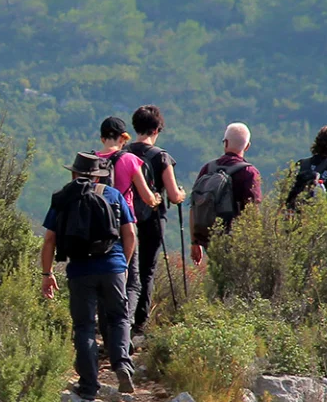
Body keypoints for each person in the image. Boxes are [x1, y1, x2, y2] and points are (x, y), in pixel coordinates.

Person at [41, 151, 141, 400]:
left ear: (74, 174)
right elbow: (130, 234)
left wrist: (47, 273)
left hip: (79, 270)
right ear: (98, 176)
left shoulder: (63, 198)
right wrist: (124, 265)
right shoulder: (114, 195)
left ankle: (88, 386)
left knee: (84, 326)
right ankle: (122, 366)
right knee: (118, 317)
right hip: (113, 267)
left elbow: (50, 239)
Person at [120, 106, 187, 336]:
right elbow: (173, 195)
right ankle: (139, 324)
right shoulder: (161, 157)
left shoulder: (123, 153)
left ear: (135, 126)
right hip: (152, 219)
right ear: (157, 128)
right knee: (146, 270)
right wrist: (182, 193)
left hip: (124, 218)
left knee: (125, 268)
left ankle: (120, 319)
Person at [91, 117, 158, 336]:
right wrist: (157, 199)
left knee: (102, 280)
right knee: (132, 281)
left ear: (102, 138)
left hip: (95, 228)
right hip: (124, 226)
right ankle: (124, 329)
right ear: (123, 138)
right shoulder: (129, 160)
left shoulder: (89, 161)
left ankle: (107, 333)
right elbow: (147, 198)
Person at [188, 122, 263, 266]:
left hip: (210, 238)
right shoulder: (249, 173)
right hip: (237, 242)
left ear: (225, 142)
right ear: (247, 146)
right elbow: (253, 212)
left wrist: (195, 242)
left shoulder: (208, 169)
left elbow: (194, 207)